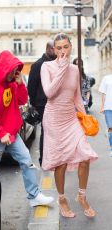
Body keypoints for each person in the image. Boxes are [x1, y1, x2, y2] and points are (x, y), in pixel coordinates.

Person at [0, 50, 54, 207]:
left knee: (27, 161)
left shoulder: (12, 83)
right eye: (12, 71)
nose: (14, 74)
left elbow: (22, 100)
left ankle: (34, 196)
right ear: (4, 68)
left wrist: (20, 84)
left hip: (12, 134)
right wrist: (0, 132)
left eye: (16, 71)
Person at [40, 33, 98, 218]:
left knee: (85, 156)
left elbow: (77, 97)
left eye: (66, 47)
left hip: (71, 119)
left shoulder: (75, 69)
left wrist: (85, 119)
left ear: (71, 46)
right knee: (61, 163)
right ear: (53, 49)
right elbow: (49, 92)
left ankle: (81, 196)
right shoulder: (46, 67)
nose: (63, 51)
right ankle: (62, 198)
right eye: (59, 48)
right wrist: (62, 68)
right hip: (54, 119)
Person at [28, 41, 57, 166]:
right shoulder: (38, 65)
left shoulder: (57, 64)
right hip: (42, 105)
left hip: (56, 104)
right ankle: (44, 160)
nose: (57, 51)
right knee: (46, 133)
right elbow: (31, 88)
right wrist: (36, 105)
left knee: (55, 133)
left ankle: (54, 158)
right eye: (55, 48)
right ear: (48, 49)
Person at [99, 74, 112, 156]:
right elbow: (103, 93)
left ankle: (108, 133)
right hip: (108, 107)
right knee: (111, 127)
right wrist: (102, 106)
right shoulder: (106, 78)